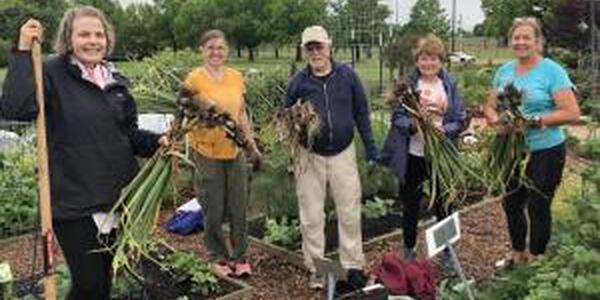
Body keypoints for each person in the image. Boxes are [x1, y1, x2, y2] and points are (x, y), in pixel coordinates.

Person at [0, 6, 165, 299]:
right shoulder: (52, 72)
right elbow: (17, 109)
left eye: (99, 34)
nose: (93, 40)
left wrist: (159, 142)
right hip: (74, 200)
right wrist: (23, 50)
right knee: (89, 285)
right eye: (84, 34)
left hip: (119, 197)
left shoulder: (117, 81)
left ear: (108, 39)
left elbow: (128, 136)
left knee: (103, 283)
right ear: (69, 38)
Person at [285, 25, 379, 289]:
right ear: (305, 51)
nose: (315, 52)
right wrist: (295, 138)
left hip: (343, 153)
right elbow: (285, 118)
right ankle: (317, 270)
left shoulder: (347, 76)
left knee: (349, 210)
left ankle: (352, 266)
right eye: (310, 48)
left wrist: (370, 147)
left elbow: (361, 113)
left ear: (329, 47)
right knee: (312, 215)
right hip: (309, 156)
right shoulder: (298, 83)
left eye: (319, 46)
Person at [484, 17, 580, 266]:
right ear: (510, 41)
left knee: (538, 206)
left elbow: (571, 112)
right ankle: (518, 254)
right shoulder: (504, 72)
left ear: (538, 41)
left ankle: (537, 259)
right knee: (512, 203)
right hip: (511, 151)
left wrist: (536, 120)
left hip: (545, 150)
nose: (521, 42)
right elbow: (490, 107)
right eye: (516, 37)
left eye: (527, 37)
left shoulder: (552, 71)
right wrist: (498, 124)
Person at [380, 33, 467, 263]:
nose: (428, 63)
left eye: (434, 59)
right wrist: (412, 125)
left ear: (441, 60)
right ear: (417, 60)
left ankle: (446, 252)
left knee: (444, 204)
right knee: (410, 205)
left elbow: (460, 118)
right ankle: (409, 251)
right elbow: (396, 118)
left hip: (441, 155)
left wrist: (444, 130)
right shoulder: (408, 86)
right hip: (414, 155)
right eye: (424, 58)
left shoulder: (449, 84)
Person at [182, 29, 262, 278]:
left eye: (220, 47)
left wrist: (251, 144)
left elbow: (241, 114)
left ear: (227, 50)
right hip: (206, 152)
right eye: (210, 48)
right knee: (213, 208)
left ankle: (240, 257)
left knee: (239, 206)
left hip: (234, 150)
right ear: (202, 51)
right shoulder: (194, 80)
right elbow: (185, 113)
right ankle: (218, 256)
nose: (216, 52)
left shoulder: (236, 77)